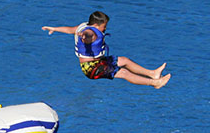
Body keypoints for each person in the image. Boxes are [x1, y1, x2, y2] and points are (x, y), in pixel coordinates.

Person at [42, 11, 171, 88]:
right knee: (124, 73)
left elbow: (70, 29)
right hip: (91, 68)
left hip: (99, 62)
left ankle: (152, 74)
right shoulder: (90, 32)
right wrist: (84, 37)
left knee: (124, 60)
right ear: (96, 25)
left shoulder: (82, 26)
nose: (105, 29)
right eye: (104, 26)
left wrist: (54, 29)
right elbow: (88, 35)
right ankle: (154, 83)